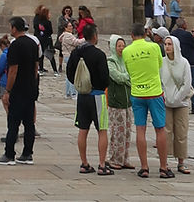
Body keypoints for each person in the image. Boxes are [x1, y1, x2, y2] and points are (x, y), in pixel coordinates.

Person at [122, 22, 173, 179]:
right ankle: (163, 167)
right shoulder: (154, 47)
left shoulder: (126, 51)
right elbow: (158, 65)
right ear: (145, 34)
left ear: (131, 35)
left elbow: (128, 70)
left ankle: (144, 167)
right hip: (155, 92)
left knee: (140, 130)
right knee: (160, 129)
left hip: (137, 93)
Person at [67, 22, 111, 176]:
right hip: (97, 95)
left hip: (82, 96)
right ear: (95, 36)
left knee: (83, 130)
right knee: (102, 130)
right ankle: (101, 164)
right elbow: (106, 77)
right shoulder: (99, 54)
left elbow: (69, 74)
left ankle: (84, 163)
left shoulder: (75, 53)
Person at [0, 16, 38, 166]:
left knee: (13, 122)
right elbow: (35, 68)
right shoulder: (33, 43)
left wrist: (8, 90)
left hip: (18, 89)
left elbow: (13, 70)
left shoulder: (15, 46)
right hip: (30, 88)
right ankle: (27, 153)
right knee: (29, 123)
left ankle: (9, 154)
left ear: (14, 28)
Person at [162, 34, 193, 174]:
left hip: (181, 102)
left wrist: (177, 98)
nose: (167, 47)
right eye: (166, 44)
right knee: (166, 131)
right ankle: (165, 161)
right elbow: (160, 81)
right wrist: (165, 96)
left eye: (169, 44)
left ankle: (181, 161)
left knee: (181, 131)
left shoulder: (184, 62)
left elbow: (187, 83)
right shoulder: (162, 62)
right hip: (166, 101)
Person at [106, 34, 133, 170]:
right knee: (117, 132)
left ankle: (124, 158)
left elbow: (132, 75)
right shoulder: (110, 61)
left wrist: (128, 78)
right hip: (116, 102)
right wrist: (128, 78)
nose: (121, 48)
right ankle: (114, 158)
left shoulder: (126, 61)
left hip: (128, 102)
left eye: (123, 46)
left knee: (127, 132)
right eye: (119, 46)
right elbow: (117, 77)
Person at [60, 18, 81, 98]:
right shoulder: (67, 36)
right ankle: (73, 93)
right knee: (72, 75)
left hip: (67, 56)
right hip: (69, 56)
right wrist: (85, 39)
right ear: (65, 28)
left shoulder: (66, 35)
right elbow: (76, 42)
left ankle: (68, 93)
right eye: (69, 26)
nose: (71, 27)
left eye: (71, 26)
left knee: (68, 76)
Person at [33, 4, 55, 73]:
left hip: (41, 37)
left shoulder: (40, 20)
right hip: (43, 38)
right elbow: (50, 31)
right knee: (45, 54)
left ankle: (41, 68)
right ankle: (43, 68)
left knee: (43, 54)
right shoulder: (39, 19)